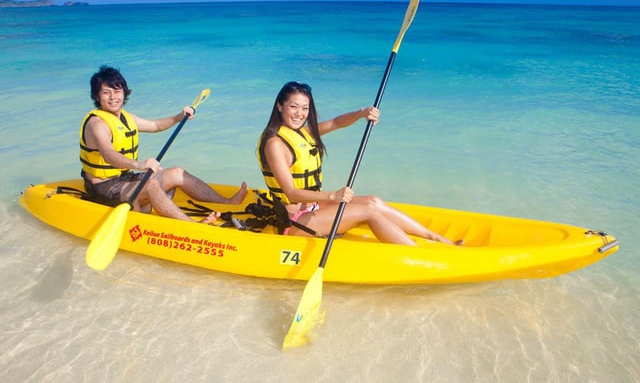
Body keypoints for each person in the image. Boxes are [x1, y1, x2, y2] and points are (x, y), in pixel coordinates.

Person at [257, 81, 463, 246]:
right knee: (369, 211)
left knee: (373, 201)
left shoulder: (303, 132)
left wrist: (362, 113)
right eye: (293, 106)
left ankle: (436, 238)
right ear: (280, 106)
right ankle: (419, 255)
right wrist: (333, 196)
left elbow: (337, 122)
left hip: (312, 208)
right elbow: (291, 193)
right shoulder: (275, 144)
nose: (299, 113)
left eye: (305, 108)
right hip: (294, 222)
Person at [80, 65, 247, 224]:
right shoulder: (97, 124)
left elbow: (155, 126)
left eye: (117, 91)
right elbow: (109, 154)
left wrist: (178, 117)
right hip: (103, 187)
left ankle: (228, 202)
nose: (113, 97)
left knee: (177, 173)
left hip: (125, 179)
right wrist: (139, 164)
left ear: (124, 92)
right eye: (106, 93)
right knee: (151, 184)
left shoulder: (125, 117)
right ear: (97, 96)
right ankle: (192, 226)